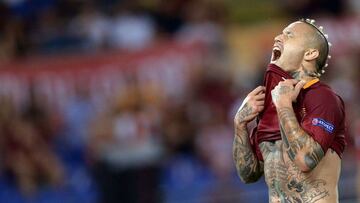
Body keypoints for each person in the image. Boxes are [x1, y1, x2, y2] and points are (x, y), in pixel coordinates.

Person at [233, 19, 346, 202]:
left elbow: (305, 160)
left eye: (289, 34)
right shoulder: (271, 103)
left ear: (310, 53)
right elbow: (248, 175)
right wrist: (239, 124)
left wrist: (284, 106)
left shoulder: (322, 97)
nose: (278, 37)